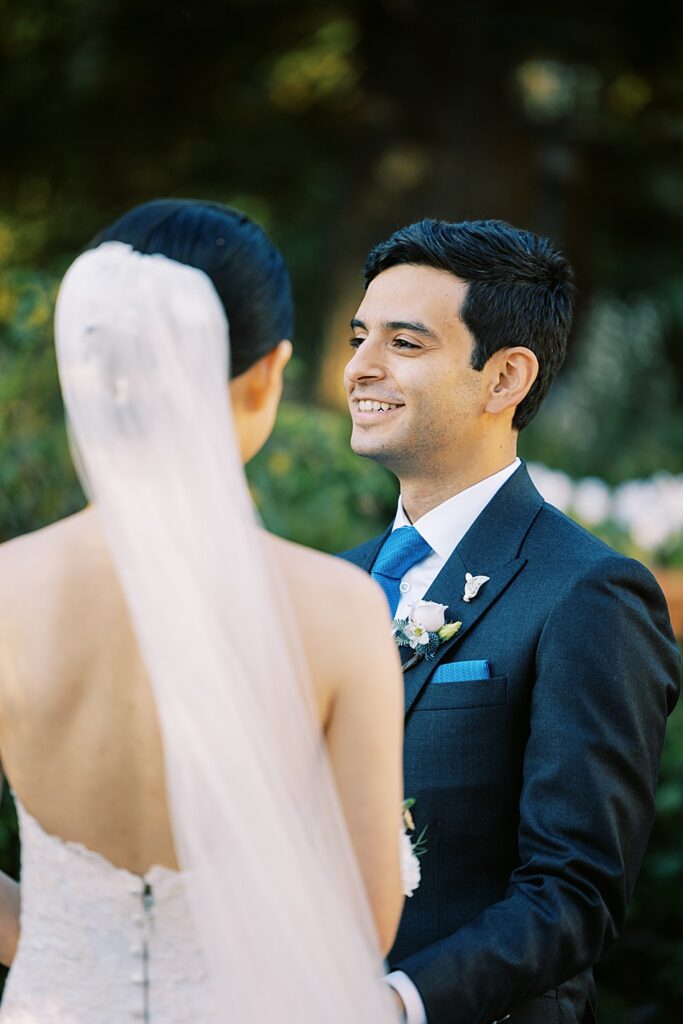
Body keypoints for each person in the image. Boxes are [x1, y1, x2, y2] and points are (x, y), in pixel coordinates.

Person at [0, 199, 405, 1022]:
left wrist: (60, 940)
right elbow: (362, 924)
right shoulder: (337, 610)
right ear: (267, 371)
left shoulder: (9, 587)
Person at [341, 218, 680, 1024]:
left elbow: (573, 896)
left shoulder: (589, 593)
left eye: (405, 344)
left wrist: (392, 1005)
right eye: (359, 338)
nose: (360, 368)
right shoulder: (334, 585)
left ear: (504, 379)